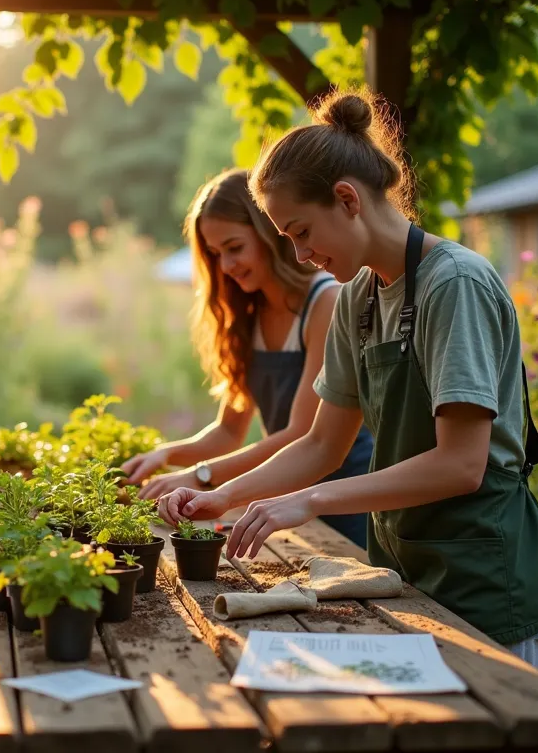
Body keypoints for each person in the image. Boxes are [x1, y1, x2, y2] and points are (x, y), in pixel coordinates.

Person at [157, 90, 538, 668]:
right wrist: (217, 497)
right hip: (405, 576)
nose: (298, 255)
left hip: (484, 581)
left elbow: (462, 465)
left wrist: (306, 501)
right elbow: (322, 443)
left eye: (299, 232)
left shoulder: (455, 285)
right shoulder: (357, 299)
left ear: (346, 199)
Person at [122, 169, 372, 547]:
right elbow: (229, 430)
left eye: (234, 247)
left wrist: (201, 476)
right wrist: (166, 454)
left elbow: (303, 433)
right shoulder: (249, 313)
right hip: (287, 506)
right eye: (215, 254)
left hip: (344, 506)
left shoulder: (326, 301)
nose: (225, 266)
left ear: (270, 233)